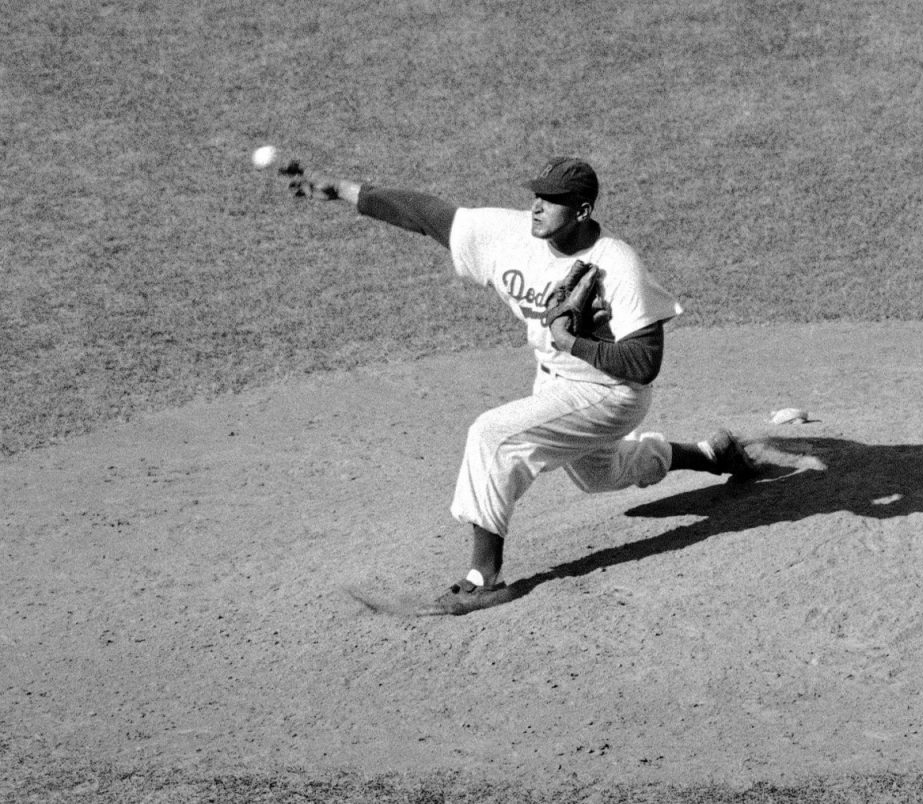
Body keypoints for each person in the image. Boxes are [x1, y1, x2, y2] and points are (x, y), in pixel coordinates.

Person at [293, 156, 757, 614]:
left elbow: (644, 363)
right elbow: (427, 216)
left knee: (493, 436)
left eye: (552, 200)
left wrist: (574, 343)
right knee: (601, 474)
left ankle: (482, 579)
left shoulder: (617, 263)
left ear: (581, 211)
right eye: (536, 194)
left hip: (610, 391)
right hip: (555, 384)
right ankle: (712, 454)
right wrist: (345, 190)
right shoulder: (510, 235)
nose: (537, 206)